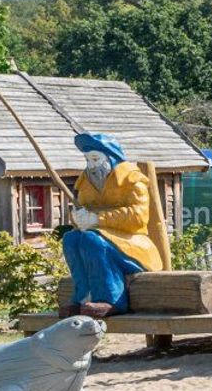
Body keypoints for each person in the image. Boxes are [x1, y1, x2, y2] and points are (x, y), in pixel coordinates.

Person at [62, 132, 160, 318]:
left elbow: (138, 216)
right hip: (99, 237)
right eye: (87, 160)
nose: (91, 165)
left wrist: (98, 219)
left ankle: (111, 299)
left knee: (92, 240)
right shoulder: (86, 182)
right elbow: (84, 211)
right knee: (71, 239)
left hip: (133, 244)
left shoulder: (131, 180)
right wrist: (78, 218)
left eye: (95, 159)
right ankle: (83, 298)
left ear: (111, 158)